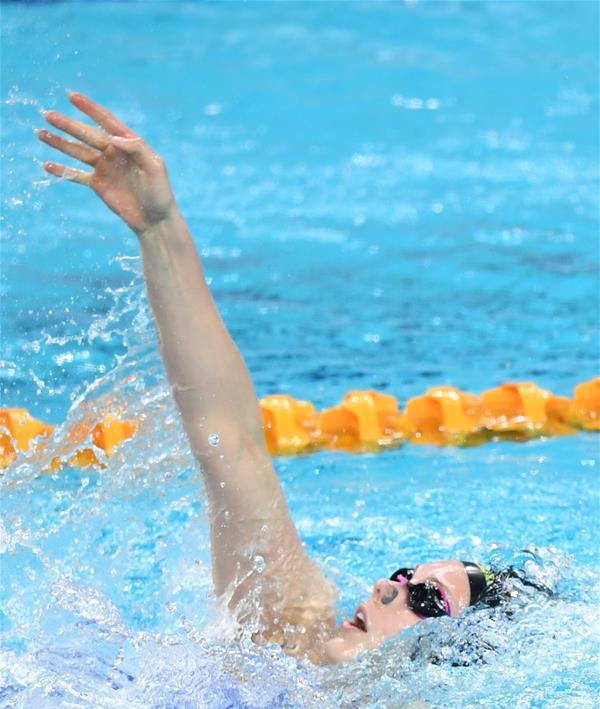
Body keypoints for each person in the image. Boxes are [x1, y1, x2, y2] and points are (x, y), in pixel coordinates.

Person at [37, 92, 503, 666]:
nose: (385, 588)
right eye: (404, 578)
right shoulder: (291, 624)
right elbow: (225, 441)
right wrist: (160, 230)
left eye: (423, 599)